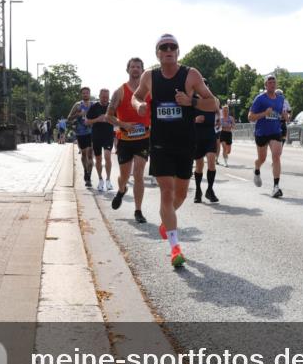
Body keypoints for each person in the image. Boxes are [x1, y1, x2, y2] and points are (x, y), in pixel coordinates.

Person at [132, 34, 218, 267]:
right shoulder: (150, 76)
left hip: (185, 143)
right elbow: (136, 96)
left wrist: (191, 102)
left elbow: (214, 103)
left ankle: (165, 221)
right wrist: (139, 105)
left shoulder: (191, 75)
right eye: (164, 47)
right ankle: (175, 247)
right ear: (157, 53)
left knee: (181, 194)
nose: (168, 50)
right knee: (167, 192)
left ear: (178, 52)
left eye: (173, 47)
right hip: (160, 143)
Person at [108, 58, 151, 224]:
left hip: (143, 138)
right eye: (132, 67)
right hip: (125, 139)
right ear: (128, 70)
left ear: (142, 70)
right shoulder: (119, 92)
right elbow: (108, 116)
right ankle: (121, 189)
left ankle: (138, 210)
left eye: (138, 67)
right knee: (124, 176)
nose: (135, 69)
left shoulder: (149, 92)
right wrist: (123, 124)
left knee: (139, 173)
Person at [249, 75, 286, 198]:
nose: (272, 84)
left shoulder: (281, 99)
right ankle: (257, 168)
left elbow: (282, 115)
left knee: (276, 155)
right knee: (262, 159)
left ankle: (276, 187)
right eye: (269, 82)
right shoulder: (260, 99)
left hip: (275, 131)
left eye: (274, 82)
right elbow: (250, 117)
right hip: (262, 132)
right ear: (265, 85)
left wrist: (286, 117)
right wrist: (264, 113)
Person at [192, 79, 221, 203]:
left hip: (210, 135)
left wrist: (219, 118)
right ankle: (198, 190)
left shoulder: (214, 101)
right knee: (199, 165)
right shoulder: (192, 101)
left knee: (211, 162)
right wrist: (194, 119)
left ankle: (210, 189)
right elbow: (184, 119)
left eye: (206, 86)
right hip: (197, 136)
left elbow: (217, 112)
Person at [87, 88, 115, 192]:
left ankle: (108, 180)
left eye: (107, 97)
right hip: (96, 136)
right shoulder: (94, 107)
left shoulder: (112, 107)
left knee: (107, 156)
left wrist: (111, 120)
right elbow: (87, 121)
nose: (105, 99)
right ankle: (100, 179)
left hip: (108, 135)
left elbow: (118, 121)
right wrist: (98, 119)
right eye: (103, 97)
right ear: (99, 96)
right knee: (98, 159)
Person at [67, 87, 95, 188]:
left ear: (89, 93)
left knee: (90, 154)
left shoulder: (93, 105)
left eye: (87, 93)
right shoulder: (77, 105)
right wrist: (78, 114)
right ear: (81, 94)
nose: (85, 95)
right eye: (83, 93)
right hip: (80, 133)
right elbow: (69, 118)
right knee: (84, 154)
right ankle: (85, 170)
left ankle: (89, 177)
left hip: (92, 132)